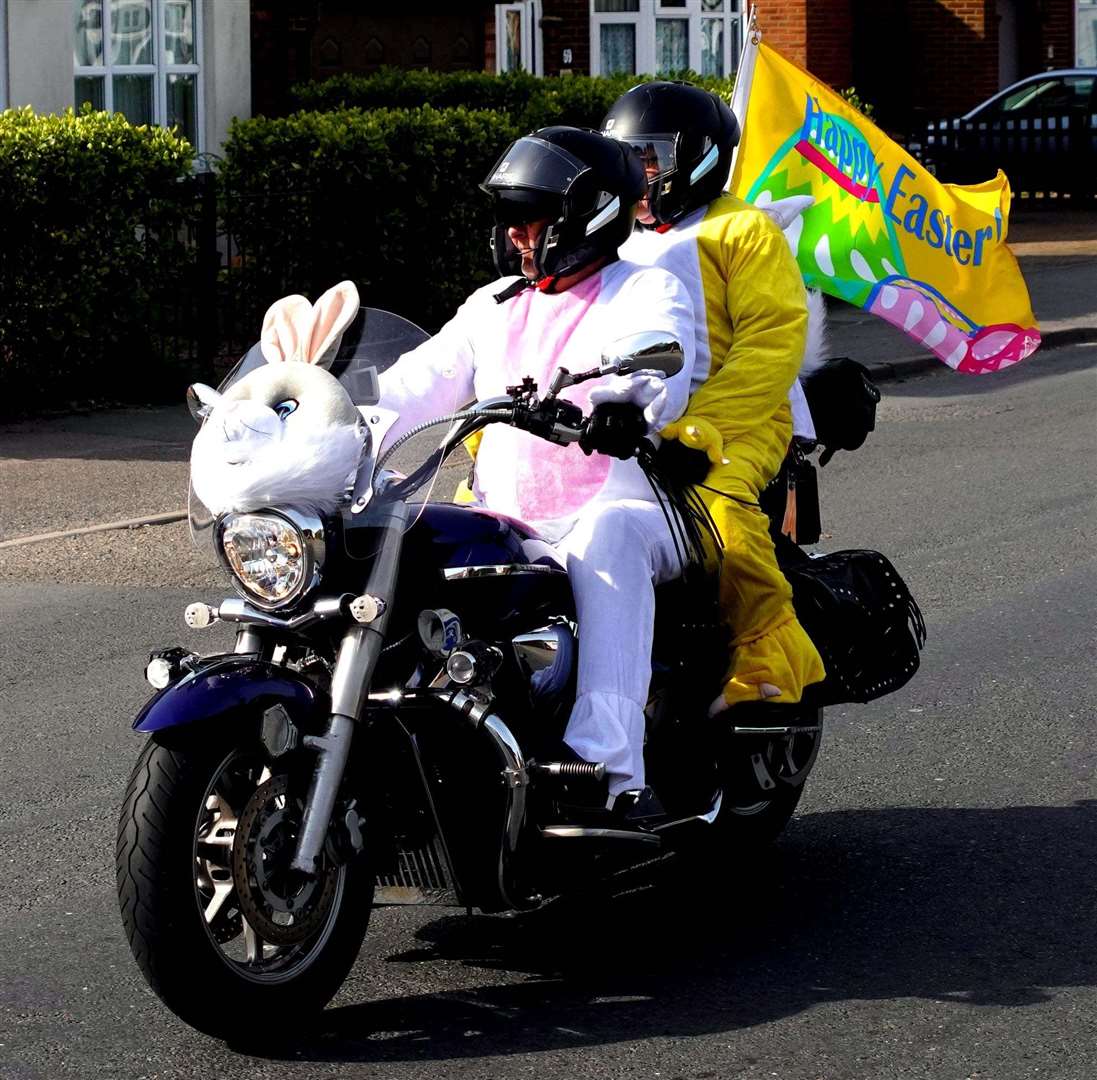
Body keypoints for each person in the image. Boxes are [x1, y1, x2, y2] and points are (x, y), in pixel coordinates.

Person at [375, 126, 697, 819]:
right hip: (511, 517)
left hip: (621, 505)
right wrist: (328, 421)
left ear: (589, 213)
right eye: (509, 220)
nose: (517, 234)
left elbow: (656, 352)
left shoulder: (641, 287)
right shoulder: (491, 306)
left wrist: (625, 403)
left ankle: (610, 772)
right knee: (410, 536)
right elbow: (413, 387)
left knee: (607, 538)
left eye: (532, 218)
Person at [602, 81, 826, 716]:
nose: (635, 174)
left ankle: (771, 650)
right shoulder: (607, 238)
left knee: (715, 510)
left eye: (648, 158)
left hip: (742, 414)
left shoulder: (744, 231)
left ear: (696, 157)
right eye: (625, 158)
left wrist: (704, 427)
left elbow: (771, 342)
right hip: (639, 410)